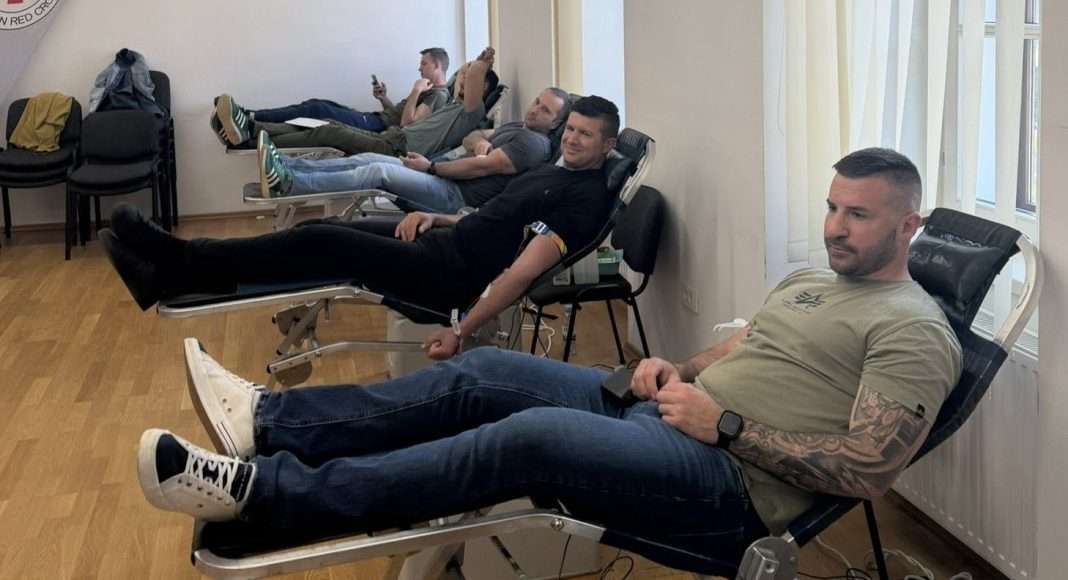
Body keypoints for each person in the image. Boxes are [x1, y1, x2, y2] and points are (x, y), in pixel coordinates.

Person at [133, 147, 962, 572]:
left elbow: (867, 470)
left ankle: (266, 495)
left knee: (524, 439)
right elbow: (746, 346)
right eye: (832, 207)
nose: (835, 227)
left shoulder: (914, 330)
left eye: (858, 216)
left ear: (907, 226)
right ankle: (270, 420)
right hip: (671, 414)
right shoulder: (812, 280)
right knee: (481, 374)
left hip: (727, 483)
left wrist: (727, 426)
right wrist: (679, 369)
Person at [102, 96, 620, 360]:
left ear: (607, 145)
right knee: (326, 233)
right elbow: (495, 219)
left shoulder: (584, 199)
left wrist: (461, 329)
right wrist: (436, 215)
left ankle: (176, 262)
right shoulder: (555, 170)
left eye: (586, 135)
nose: (573, 139)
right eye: (571, 129)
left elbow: (521, 274)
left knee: (320, 240)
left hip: (448, 279)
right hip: (443, 239)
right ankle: (167, 273)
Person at [254, 87, 572, 213]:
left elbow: (481, 167)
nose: (535, 109)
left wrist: (431, 167)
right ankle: (289, 169)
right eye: (537, 102)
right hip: (443, 177)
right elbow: (473, 137)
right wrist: (481, 143)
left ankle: (290, 185)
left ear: (556, 122)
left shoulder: (534, 144)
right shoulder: (518, 127)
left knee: (377, 171)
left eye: (545, 110)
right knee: (369, 158)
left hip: (455, 196)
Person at [217, 48, 498, 158]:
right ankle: (251, 129)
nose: (463, 78)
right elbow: (463, 73)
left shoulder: (470, 110)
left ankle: (250, 132)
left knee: (325, 126)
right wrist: (384, 98)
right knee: (324, 119)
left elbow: (409, 121)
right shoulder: (454, 103)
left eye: (424, 63)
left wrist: (481, 64)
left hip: (396, 146)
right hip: (391, 136)